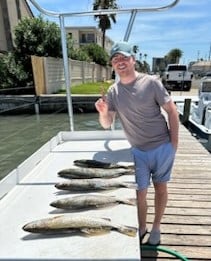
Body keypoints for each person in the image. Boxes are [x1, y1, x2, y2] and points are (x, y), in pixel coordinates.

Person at [95, 41, 179, 245]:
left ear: (133, 60)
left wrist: (173, 145)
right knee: (140, 193)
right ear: (113, 66)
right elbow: (107, 124)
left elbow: (172, 111)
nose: (120, 62)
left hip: (161, 147)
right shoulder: (113, 91)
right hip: (138, 151)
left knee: (161, 188)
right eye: (115, 59)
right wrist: (103, 113)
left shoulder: (151, 82)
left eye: (124, 57)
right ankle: (142, 227)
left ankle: (156, 227)